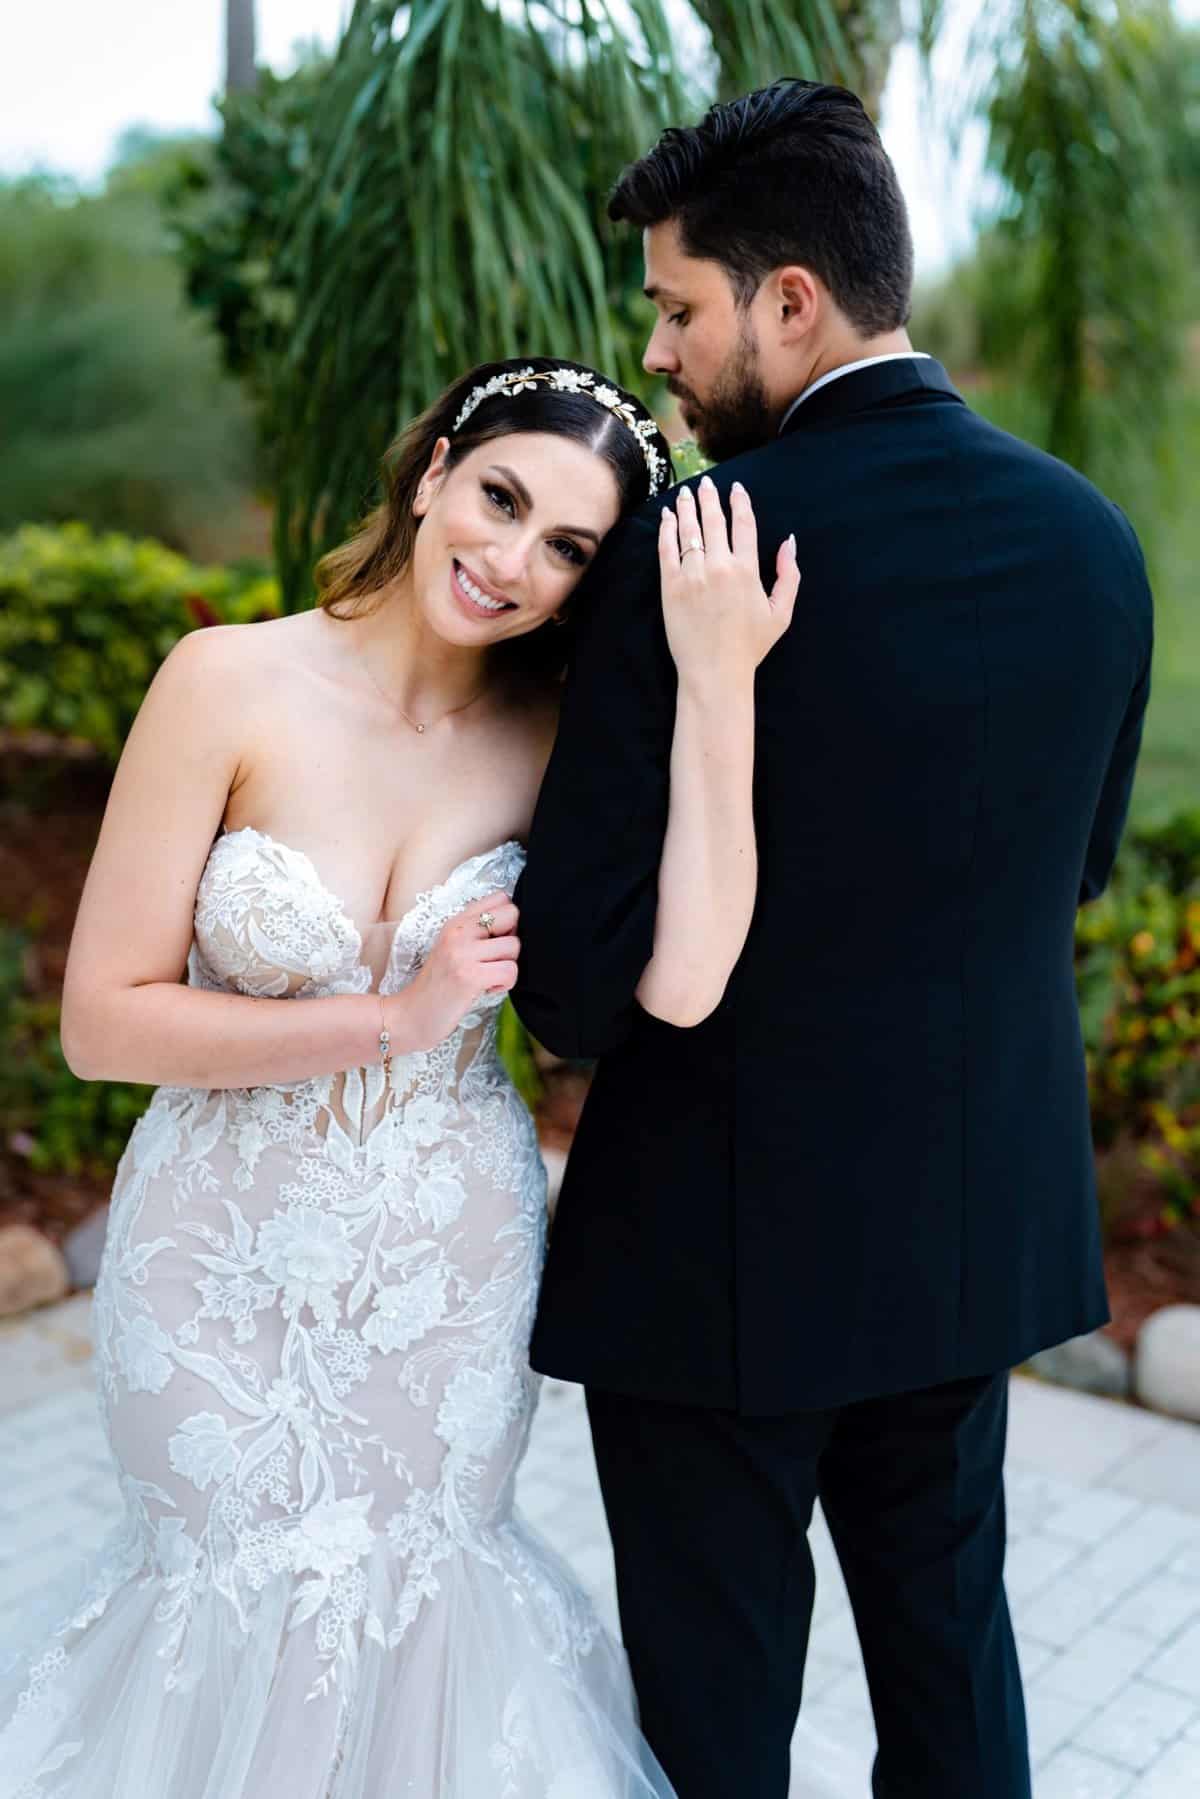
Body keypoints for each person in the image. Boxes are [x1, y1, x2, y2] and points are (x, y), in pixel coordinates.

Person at [0, 355, 798, 1799]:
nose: (512, 562)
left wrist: (723, 686)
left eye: (566, 548)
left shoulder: (557, 738)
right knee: (222, 1605)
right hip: (214, 1259)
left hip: (446, 1268)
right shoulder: (225, 680)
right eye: (499, 499)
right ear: (432, 472)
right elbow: (101, 1025)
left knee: (422, 1608)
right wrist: (397, 1015)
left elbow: (684, 973)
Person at [514, 80, 1154, 1799]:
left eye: (674, 304)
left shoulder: (698, 552)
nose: (655, 351)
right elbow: (1064, 873)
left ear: (789, 299)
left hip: (718, 1270)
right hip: (964, 1240)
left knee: (719, 1738)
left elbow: (574, 982)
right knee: (955, 1693)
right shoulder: (1094, 547)